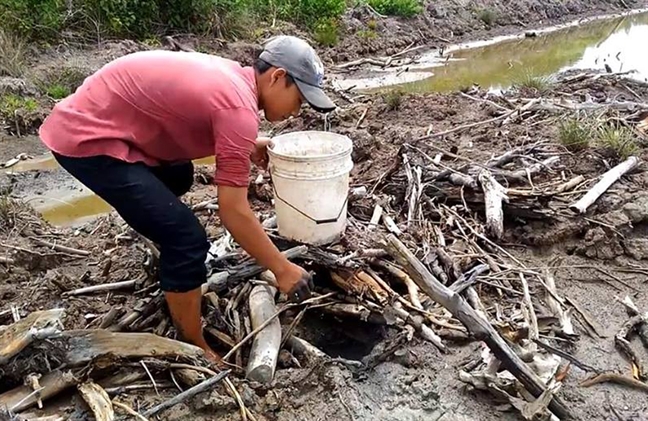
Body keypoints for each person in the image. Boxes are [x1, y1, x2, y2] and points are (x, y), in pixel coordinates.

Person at [38, 35, 336, 362]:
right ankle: (193, 345)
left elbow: (195, 110)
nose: (297, 110)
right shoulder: (239, 111)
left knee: (179, 176)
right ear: (277, 77)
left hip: (104, 117)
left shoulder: (236, 80)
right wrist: (282, 269)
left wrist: (247, 145)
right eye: (300, 98)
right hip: (87, 138)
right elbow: (233, 212)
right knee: (187, 239)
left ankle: (169, 256)